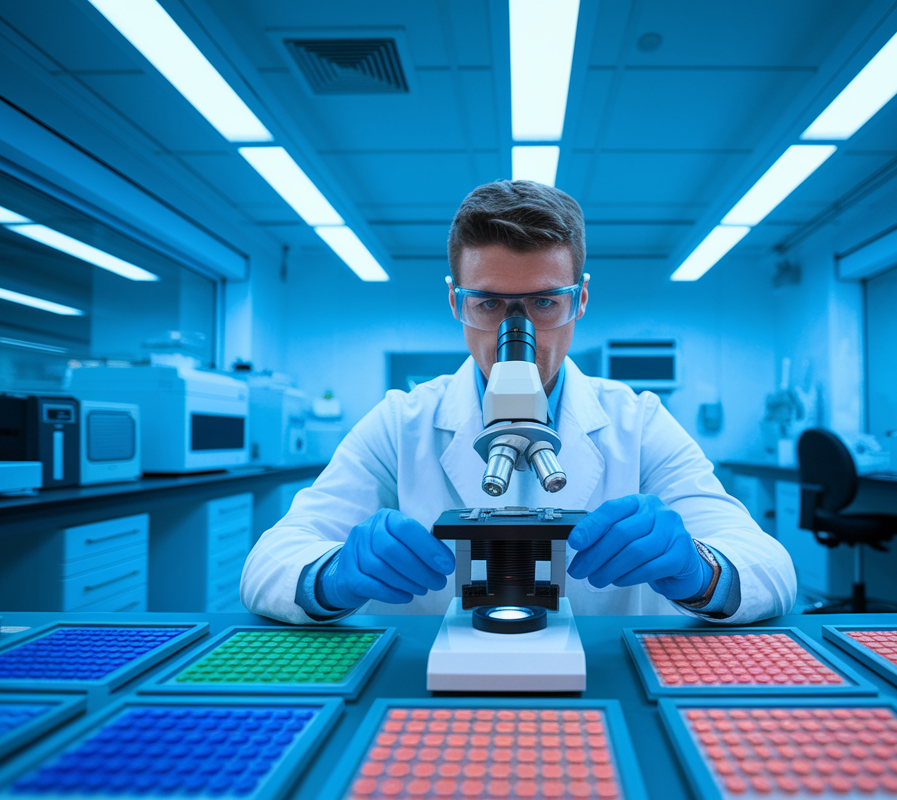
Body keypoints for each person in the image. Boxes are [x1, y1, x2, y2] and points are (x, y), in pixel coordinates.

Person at [241, 181, 796, 624]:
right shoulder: (400, 422)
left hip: (602, 681)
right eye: (488, 303)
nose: (517, 328)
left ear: (580, 299)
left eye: (543, 302)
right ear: (455, 301)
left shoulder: (638, 420)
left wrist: (701, 570)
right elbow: (268, 564)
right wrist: (332, 575)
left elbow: (770, 568)